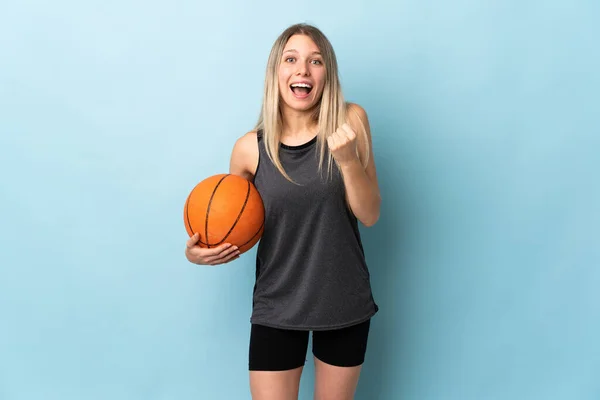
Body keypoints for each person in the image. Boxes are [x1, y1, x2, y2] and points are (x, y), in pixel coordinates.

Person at [185, 23, 381, 400]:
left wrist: (348, 162)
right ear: (277, 72)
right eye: (291, 59)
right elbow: (234, 226)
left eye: (315, 61)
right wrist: (197, 251)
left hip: (343, 300)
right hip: (278, 304)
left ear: (327, 73)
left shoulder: (351, 121)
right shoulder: (248, 150)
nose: (303, 70)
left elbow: (370, 214)